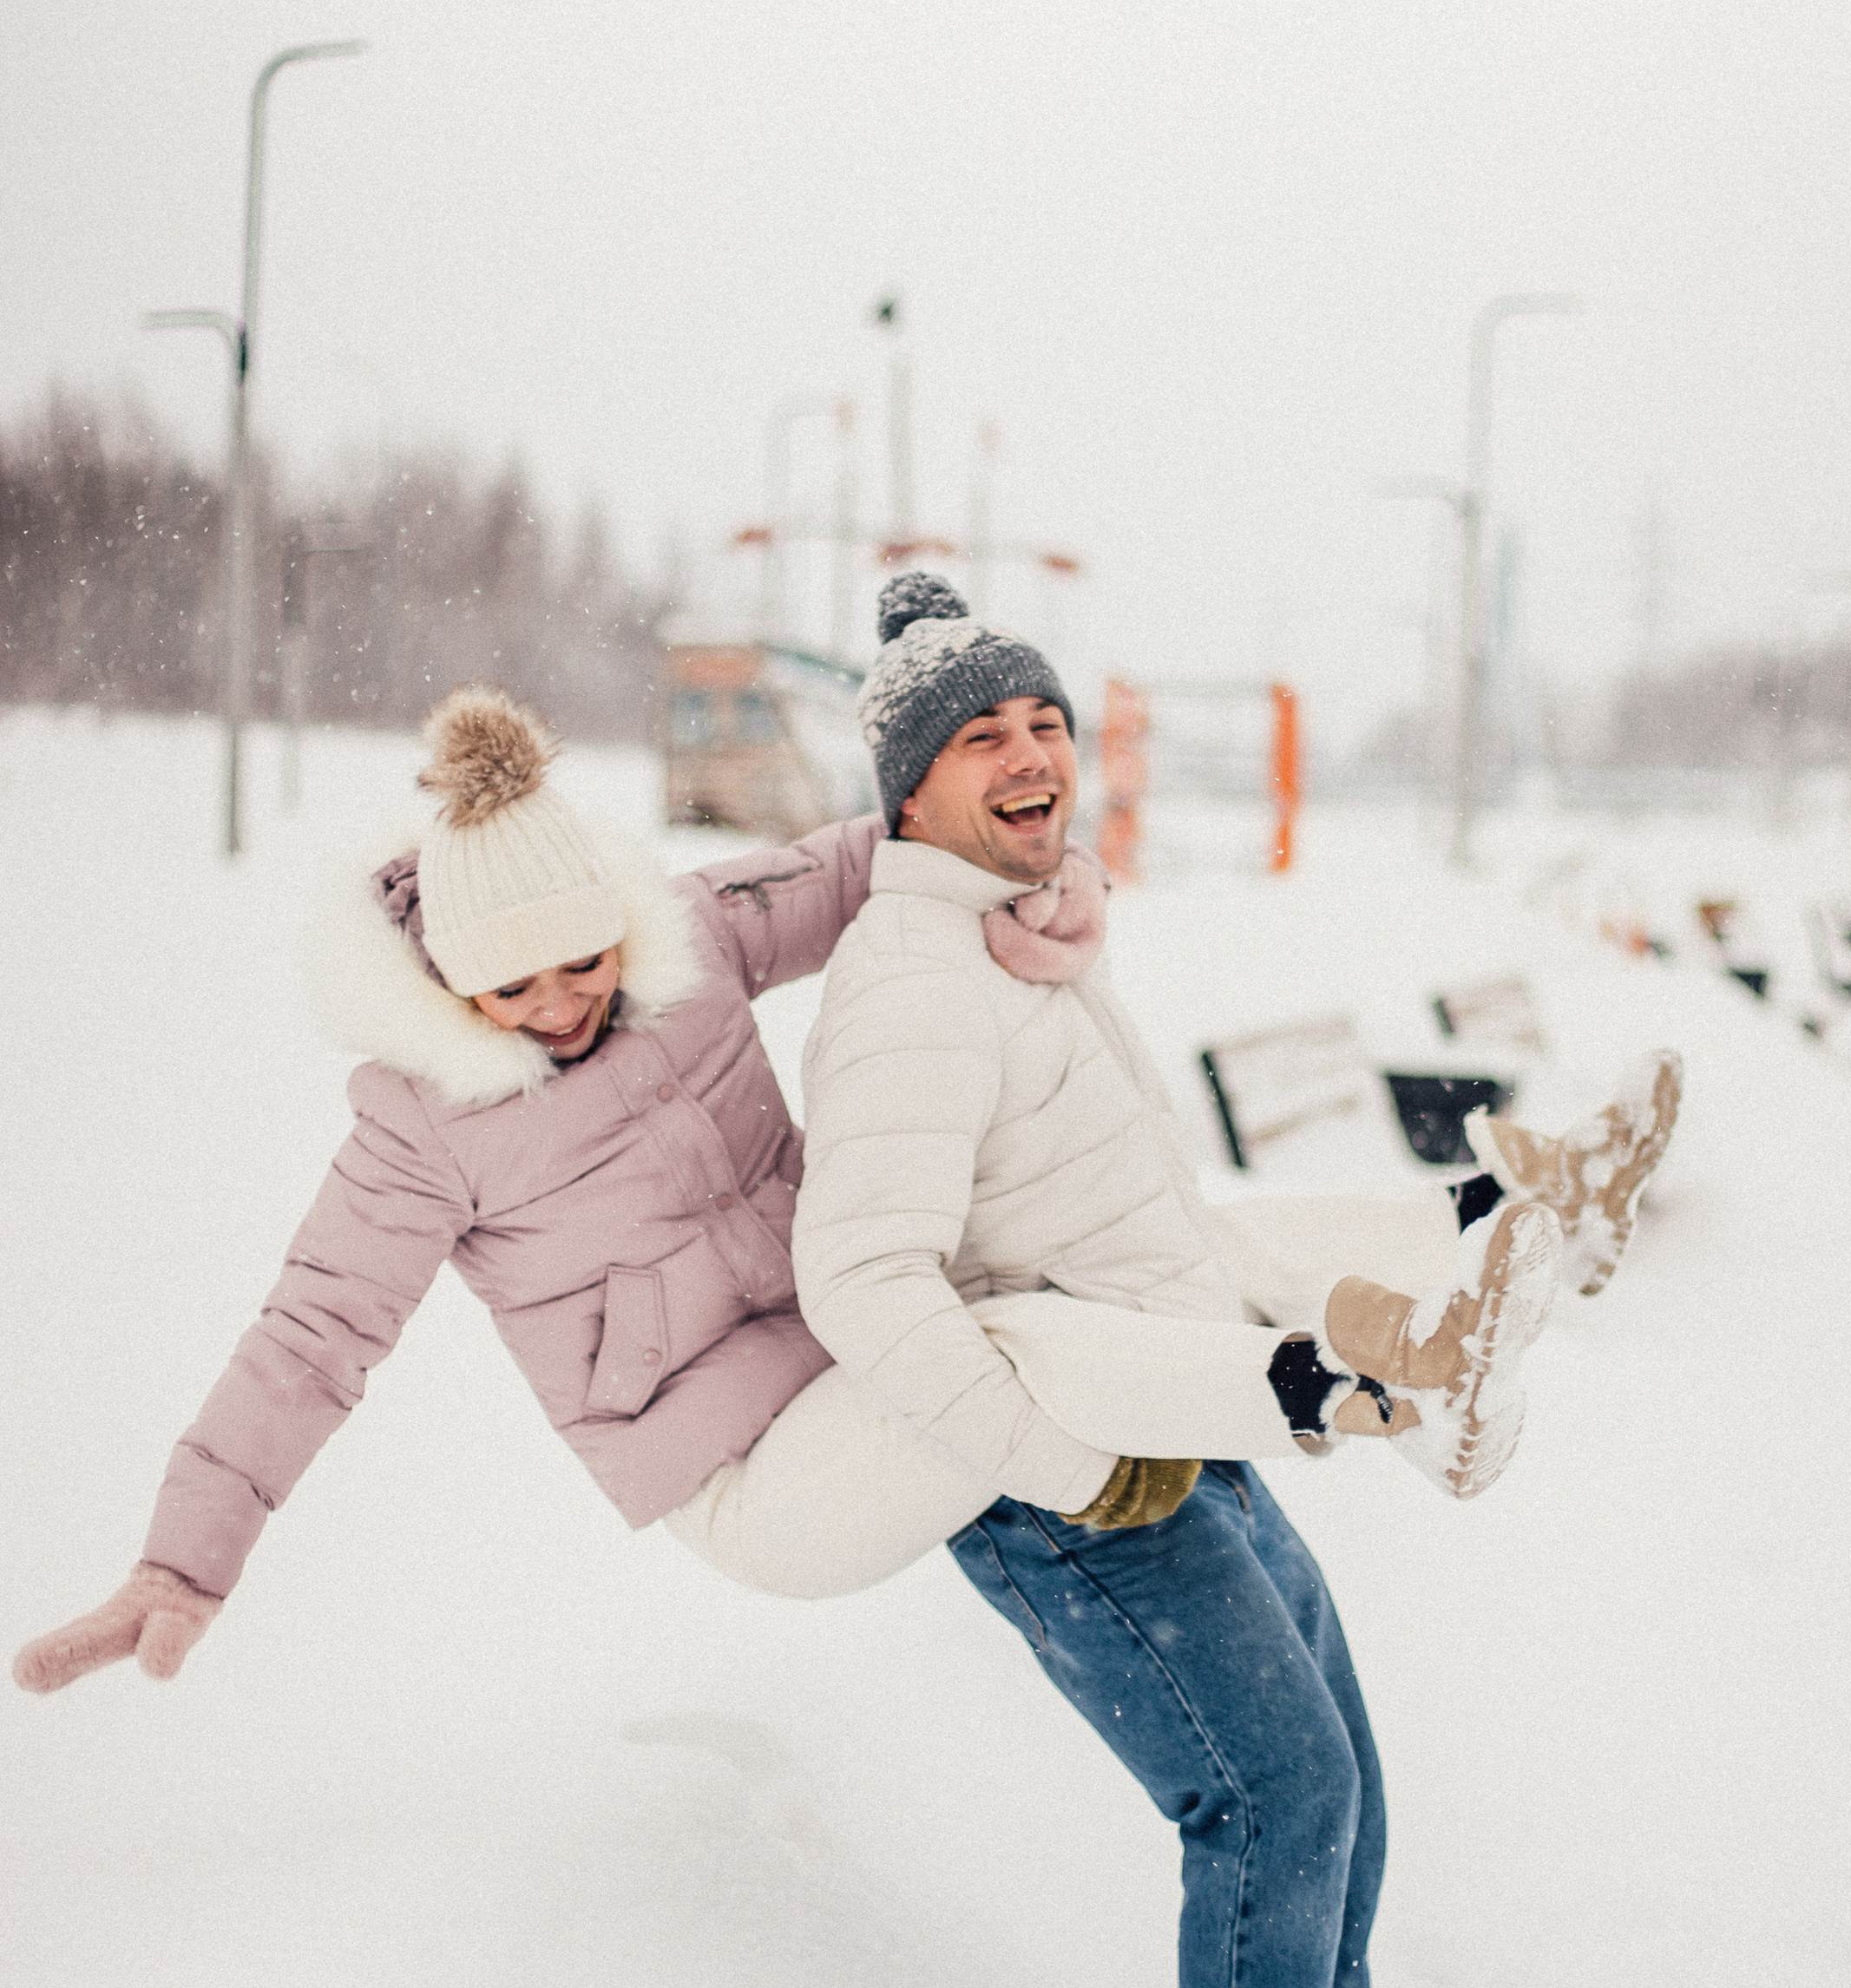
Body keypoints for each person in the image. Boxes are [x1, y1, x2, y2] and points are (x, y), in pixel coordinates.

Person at [13, 673, 1676, 1710]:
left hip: (868, 1348)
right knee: (1019, 1332)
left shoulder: (674, 948)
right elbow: (308, 1344)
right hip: (754, 1481)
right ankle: (1380, 1395)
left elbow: (865, 854)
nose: (566, 1004)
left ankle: (1494, 1243)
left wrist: (1046, 866)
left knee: (1181, 1234)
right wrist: (186, 1560)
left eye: (585, 960)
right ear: (453, 990)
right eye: (516, 992)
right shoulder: (420, 1128)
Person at [789, 575, 1683, 1988]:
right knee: (1275, 1799)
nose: (1031, 754)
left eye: (1042, 719)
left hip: (1172, 1424)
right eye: (982, 738)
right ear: (906, 791)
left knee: (1335, 1774)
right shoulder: (912, 984)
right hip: (1068, 1475)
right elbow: (865, 1284)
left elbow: (1127, 1215)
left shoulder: (1026, 940)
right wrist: (1051, 1468)